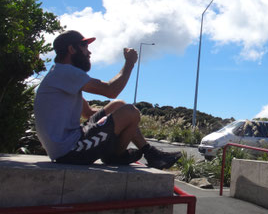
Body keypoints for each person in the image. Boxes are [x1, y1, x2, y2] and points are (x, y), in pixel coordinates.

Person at [34, 30, 181, 168]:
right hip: (69, 150)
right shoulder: (65, 72)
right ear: (71, 49)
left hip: (70, 143)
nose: (89, 52)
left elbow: (88, 113)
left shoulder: (61, 75)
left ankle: (149, 153)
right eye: (84, 46)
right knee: (130, 112)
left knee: (118, 105)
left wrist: (115, 117)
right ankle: (116, 156)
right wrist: (129, 63)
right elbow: (111, 90)